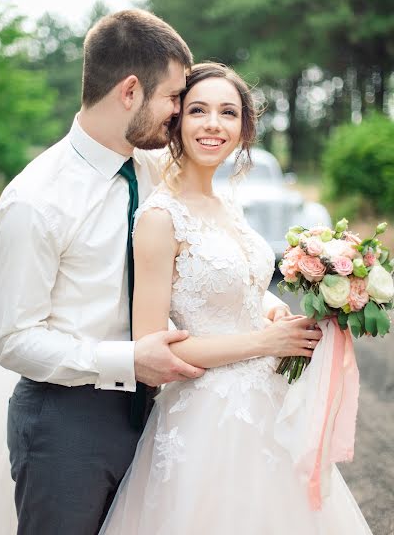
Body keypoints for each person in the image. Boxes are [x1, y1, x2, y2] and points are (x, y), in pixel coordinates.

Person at [0, 12, 295, 535]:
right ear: (131, 91)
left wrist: (257, 302)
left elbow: (203, 254)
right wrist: (128, 359)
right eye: (175, 98)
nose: (179, 113)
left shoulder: (150, 166)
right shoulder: (35, 200)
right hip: (70, 424)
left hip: (163, 412)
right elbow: (11, 339)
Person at [99, 62, 373, 535]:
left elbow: (242, 283)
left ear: (243, 127)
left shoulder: (228, 203)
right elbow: (152, 347)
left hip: (267, 402)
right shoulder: (160, 218)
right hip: (207, 422)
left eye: (228, 112)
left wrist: (269, 308)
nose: (213, 124)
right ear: (176, 122)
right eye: (198, 110)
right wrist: (266, 343)